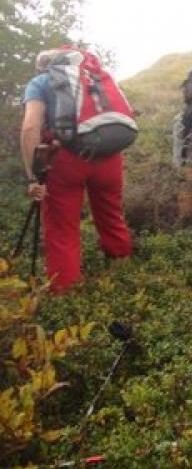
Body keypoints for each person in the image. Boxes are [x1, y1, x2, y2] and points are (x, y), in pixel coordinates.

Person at [19, 51, 133, 292]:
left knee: (62, 229)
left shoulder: (40, 82)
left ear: (42, 67)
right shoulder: (96, 78)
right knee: (111, 215)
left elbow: (30, 127)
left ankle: (66, 292)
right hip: (109, 157)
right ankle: (123, 270)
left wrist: (33, 177)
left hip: (65, 159)